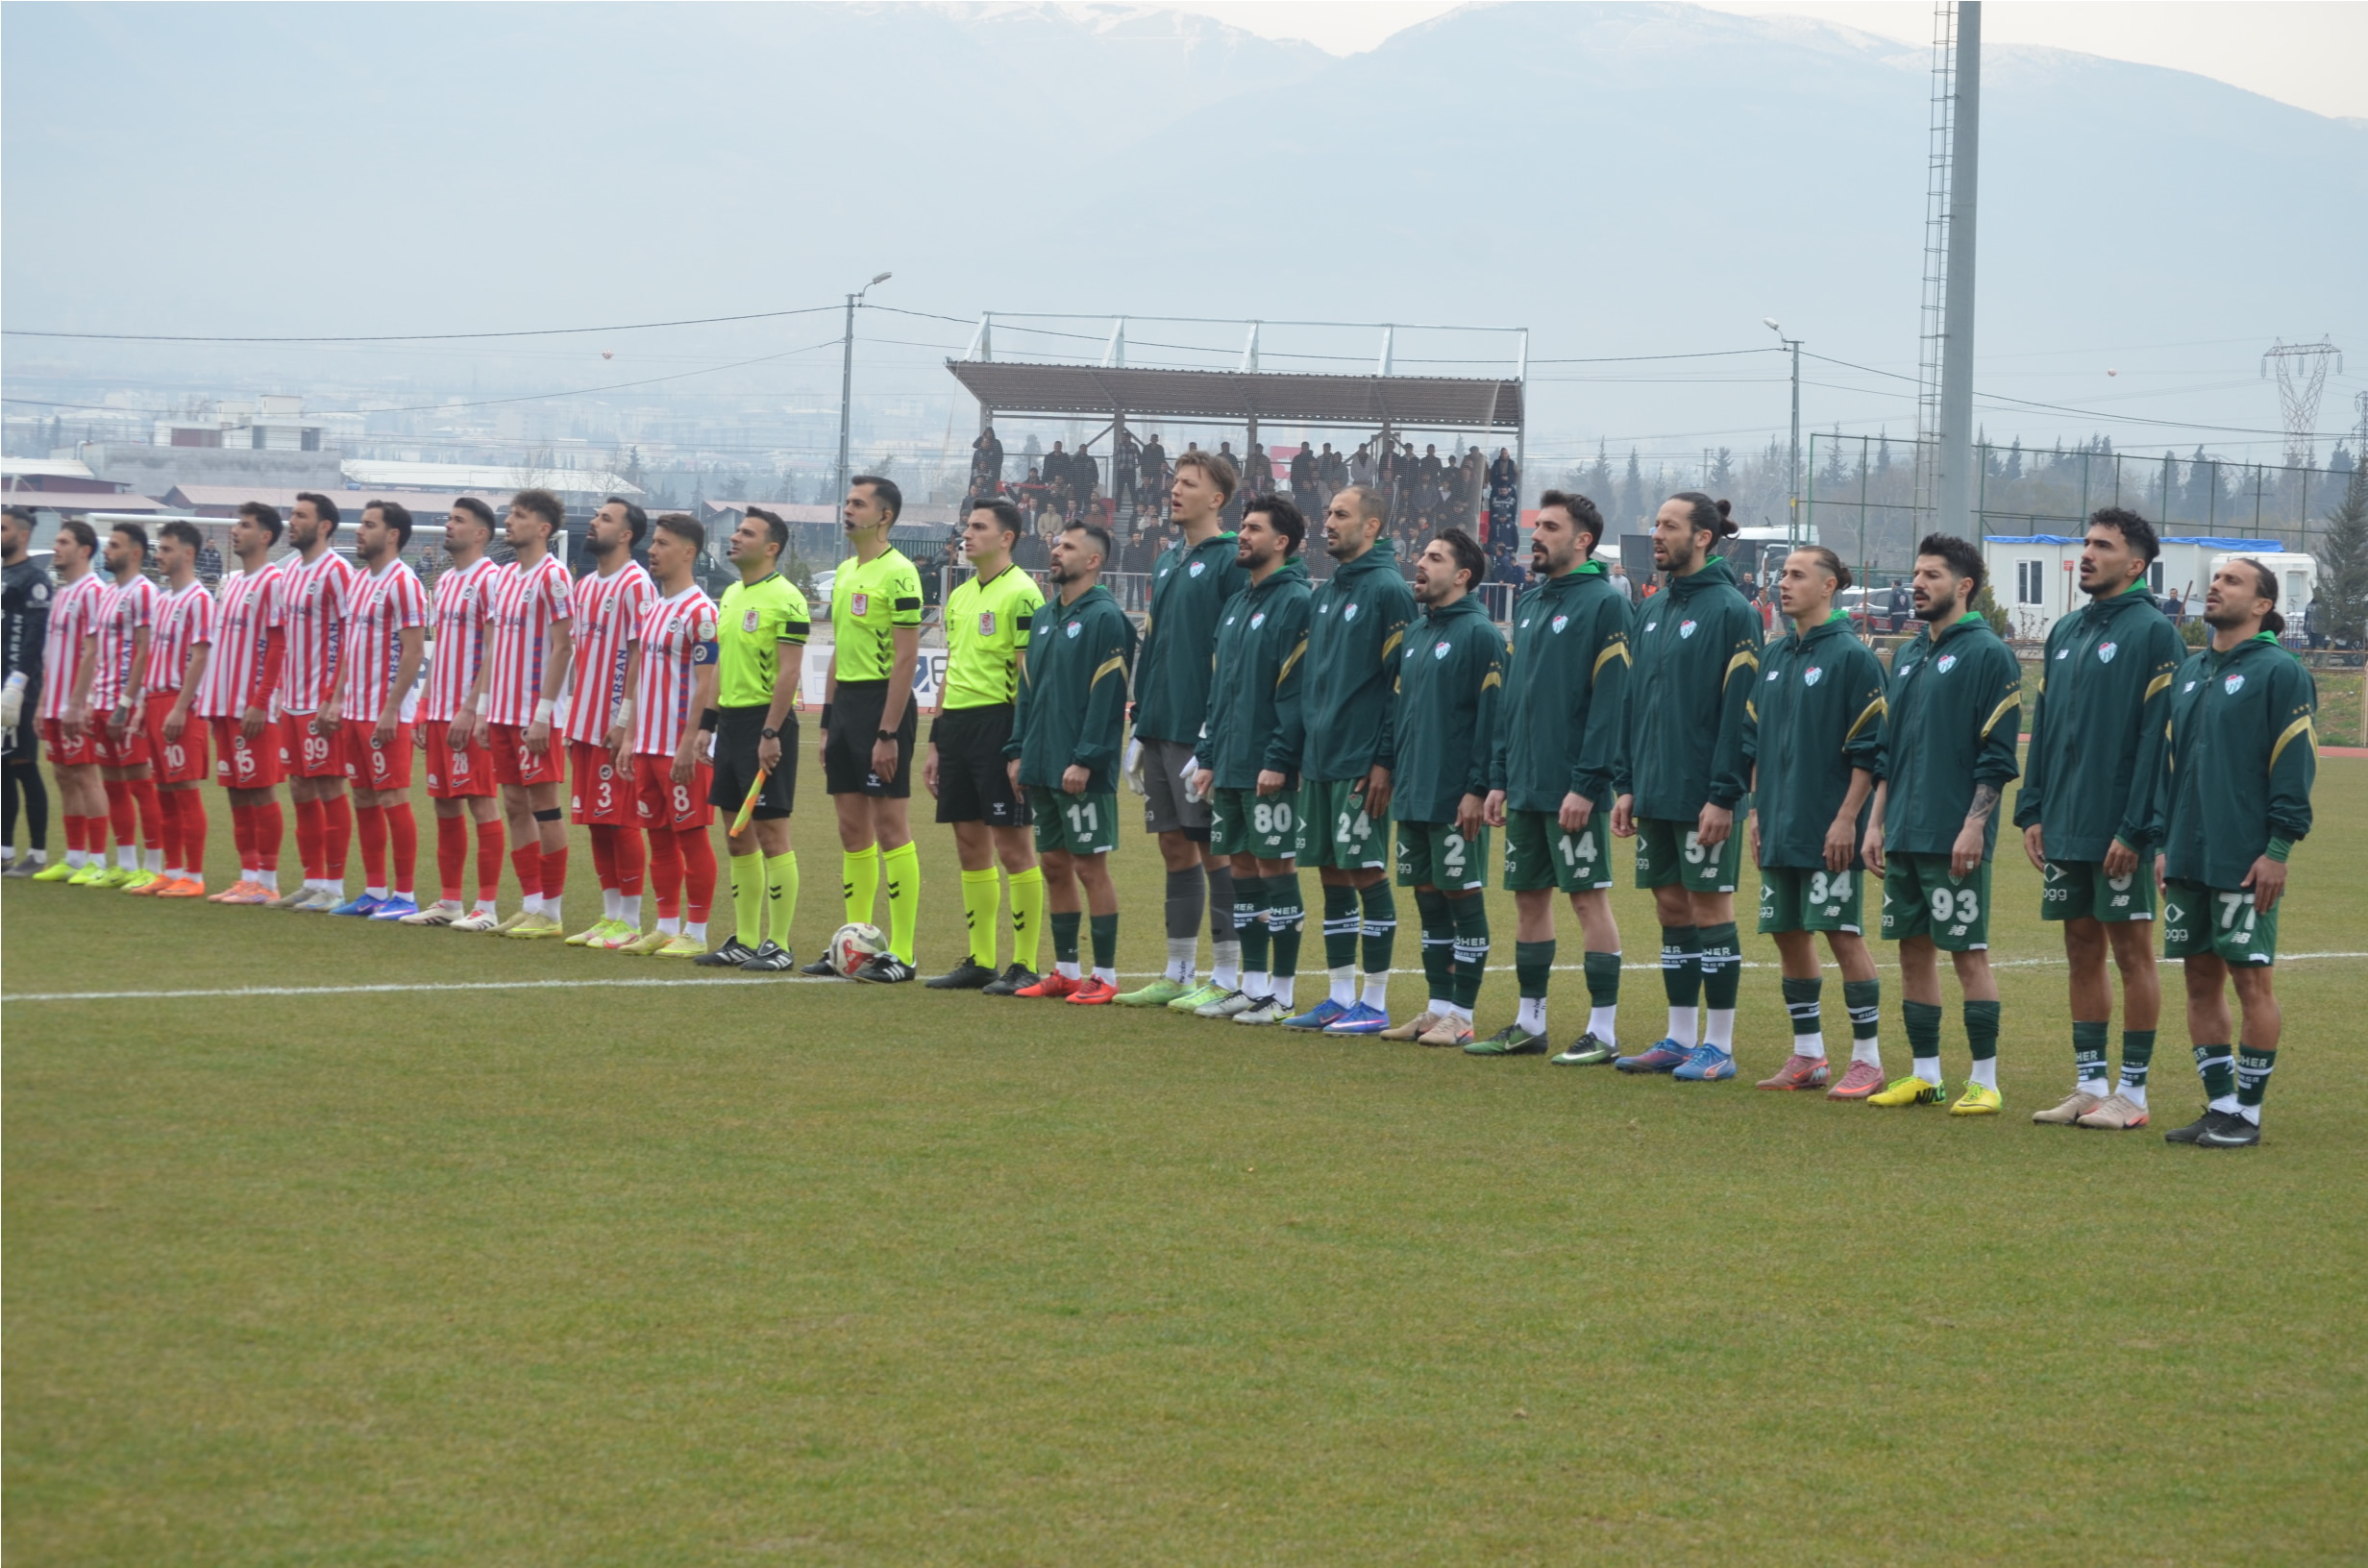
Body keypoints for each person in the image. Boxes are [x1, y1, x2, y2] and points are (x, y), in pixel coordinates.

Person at [2017, 507, 2186, 1130]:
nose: (2086, 553)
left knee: (2132, 951)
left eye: (2103, 546)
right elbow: (2047, 728)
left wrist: (2138, 829)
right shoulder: (2065, 632)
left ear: (2136, 564)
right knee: (2079, 946)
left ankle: (2133, 1094)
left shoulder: (2154, 634)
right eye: (2086, 543)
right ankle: (2090, 1085)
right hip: (2065, 820)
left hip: (2122, 827)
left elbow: (2158, 740)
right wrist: (2033, 808)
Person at [2152, 556, 2316, 1148]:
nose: (2215, 587)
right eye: (2215, 579)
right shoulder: (2191, 671)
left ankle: (2247, 1115)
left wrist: (2278, 849)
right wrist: (2166, 844)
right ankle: (2219, 1106)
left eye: (2232, 581)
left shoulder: (2281, 672)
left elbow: (2294, 768)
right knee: (2199, 981)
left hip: (2246, 858)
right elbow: (2172, 769)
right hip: (2188, 854)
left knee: (2252, 984)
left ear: (2263, 604)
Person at [1862, 534, 2022, 1114]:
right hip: (1902, 830)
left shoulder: (1989, 654)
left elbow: (1997, 755)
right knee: (1911, 952)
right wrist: (1875, 825)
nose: (1918, 583)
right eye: (1916, 573)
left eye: (1931, 574)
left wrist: (1973, 826)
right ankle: (1924, 1074)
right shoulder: (1906, 655)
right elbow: (1886, 754)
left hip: (1953, 833)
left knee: (1967, 953)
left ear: (1963, 587)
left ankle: (1985, 1080)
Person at [1611, 493, 1762, 1081]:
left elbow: (1740, 714)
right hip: (1655, 788)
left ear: (1702, 537)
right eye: (1655, 524)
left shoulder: (1732, 611)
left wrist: (1724, 794)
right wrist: (1626, 783)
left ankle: (1718, 1046)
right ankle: (1678, 1036)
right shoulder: (1651, 609)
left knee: (1709, 908)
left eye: (1669, 526)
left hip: (1706, 793)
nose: (1656, 534)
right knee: (1671, 907)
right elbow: (1634, 703)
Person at [1476, 491, 1631, 1059]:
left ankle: (1604, 1031)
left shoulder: (1606, 604)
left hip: (1573, 787)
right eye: (1535, 525)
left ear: (1582, 540)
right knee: (1527, 900)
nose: (1535, 535)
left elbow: (1610, 702)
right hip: (1524, 782)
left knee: (1588, 900)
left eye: (1549, 527)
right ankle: (1530, 1022)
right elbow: (1513, 700)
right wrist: (1499, 776)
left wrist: (1588, 784)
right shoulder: (1535, 602)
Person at [1741, 546, 1889, 1096]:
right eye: (1782, 575)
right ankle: (1807, 1055)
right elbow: (1753, 743)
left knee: (1841, 933)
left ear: (1829, 587)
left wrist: (1847, 818)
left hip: (1830, 826)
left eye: (1798, 575)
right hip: (1779, 821)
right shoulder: (1775, 656)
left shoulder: (1854, 657)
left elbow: (1870, 751)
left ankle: (1868, 1061)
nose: (1784, 584)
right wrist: (1757, 814)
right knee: (1786, 933)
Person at [1274, 484, 1416, 1035]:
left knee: (1365, 870)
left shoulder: (1388, 590)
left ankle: (1375, 1002)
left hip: (1361, 761)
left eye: (1340, 515)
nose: (1327, 522)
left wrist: (1384, 760)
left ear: (1372, 526)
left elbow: (1398, 683)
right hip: (1321, 758)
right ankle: (1338, 996)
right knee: (1331, 872)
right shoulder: (1328, 591)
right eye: (1328, 513)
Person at [1119, 449, 1249, 1011]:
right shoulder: (1167, 559)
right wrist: (1139, 722)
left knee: (1213, 848)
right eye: (1175, 480)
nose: (1174, 490)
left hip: (1200, 731)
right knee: (1174, 847)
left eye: (1188, 483)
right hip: (1159, 723)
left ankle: (1225, 974)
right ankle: (1177, 969)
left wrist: (1211, 730)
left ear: (1216, 499)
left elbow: (1231, 650)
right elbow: (1154, 642)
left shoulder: (1227, 562)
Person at [1373, 527, 1503, 1047]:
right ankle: (1436, 1008)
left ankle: (1464, 1014)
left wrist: (1478, 787)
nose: (1419, 565)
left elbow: (1494, 720)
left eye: (1433, 558)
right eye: (1420, 556)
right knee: (1428, 899)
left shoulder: (1481, 635)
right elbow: (1398, 709)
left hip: (1456, 795)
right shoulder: (1417, 633)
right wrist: (1386, 764)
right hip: (1414, 789)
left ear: (1463, 575)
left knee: (1461, 896)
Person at [1188, 496, 1314, 1024]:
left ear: (1280, 542)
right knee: (1241, 867)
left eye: (1253, 528)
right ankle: (1253, 984)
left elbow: (1296, 690)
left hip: (1269, 763)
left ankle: (1282, 992)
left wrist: (1280, 757)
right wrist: (1208, 754)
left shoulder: (1297, 602)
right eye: (1241, 526)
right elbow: (1221, 689)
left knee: (1275, 866)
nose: (1241, 535)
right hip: (1232, 762)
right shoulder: (1239, 602)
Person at [1004, 521, 1136, 1002]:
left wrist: (1086, 759)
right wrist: (1017, 751)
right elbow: (1027, 692)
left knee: (1089, 868)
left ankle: (1105, 975)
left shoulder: (1106, 618)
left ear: (1094, 561)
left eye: (1067, 547)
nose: (1055, 552)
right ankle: (1065, 970)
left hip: (1081, 770)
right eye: (1056, 544)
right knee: (1054, 866)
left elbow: (1108, 699)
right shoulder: (1043, 617)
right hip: (1041, 764)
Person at [922, 498, 1048, 992]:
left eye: (978, 527)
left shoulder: (1023, 594)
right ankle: (980, 959)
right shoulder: (958, 596)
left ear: (1007, 537)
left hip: (1000, 727)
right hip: (958, 730)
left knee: (1013, 846)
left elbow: (1028, 676)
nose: (966, 534)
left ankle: (1025, 963)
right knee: (969, 844)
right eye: (966, 526)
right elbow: (951, 672)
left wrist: (1019, 747)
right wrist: (936, 741)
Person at [811, 477, 924, 982]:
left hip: (883, 705)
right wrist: (829, 722)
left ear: (885, 516)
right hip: (848, 708)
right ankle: (853, 944)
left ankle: (902, 952)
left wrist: (887, 733)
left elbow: (906, 659)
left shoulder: (900, 574)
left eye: (858, 504)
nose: (848, 509)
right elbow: (838, 650)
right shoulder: (844, 572)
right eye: (848, 502)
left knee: (890, 829)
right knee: (851, 830)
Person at [693, 506, 811, 971]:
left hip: (766, 723)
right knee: (736, 834)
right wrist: (707, 723)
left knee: (771, 832)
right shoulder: (731, 596)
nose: (735, 537)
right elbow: (722, 666)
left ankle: (777, 945)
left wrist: (771, 731)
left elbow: (790, 671)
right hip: (732, 726)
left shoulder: (787, 599)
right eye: (737, 531)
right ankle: (744, 939)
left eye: (747, 532)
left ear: (772, 547)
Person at [462, 488, 574, 938]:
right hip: (504, 714)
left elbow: (564, 646)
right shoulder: (503, 578)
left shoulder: (555, 577)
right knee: (513, 805)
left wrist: (545, 713)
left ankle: (551, 910)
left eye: (519, 515)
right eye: (510, 513)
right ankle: (530, 903)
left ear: (543, 529)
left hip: (535, 715)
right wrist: (485, 709)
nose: (509, 521)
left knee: (544, 806)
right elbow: (492, 649)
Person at [611, 512, 722, 959]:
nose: (652, 551)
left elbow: (707, 682)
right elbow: (642, 680)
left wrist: (689, 742)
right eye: (652, 542)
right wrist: (629, 735)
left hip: (679, 749)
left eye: (662, 543)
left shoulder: (702, 612)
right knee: (657, 837)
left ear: (689, 552)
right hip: (646, 748)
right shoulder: (654, 609)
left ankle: (696, 931)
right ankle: (666, 924)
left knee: (690, 836)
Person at [399, 500, 508, 929]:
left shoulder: (490, 580)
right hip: (440, 711)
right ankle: (449, 902)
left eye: (458, 521)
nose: (448, 526)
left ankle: (486, 908)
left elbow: (493, 650)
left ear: (480, 534)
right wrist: (424, 706)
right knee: (445, 806)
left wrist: (472, 708)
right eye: (448, 519)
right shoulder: (443, 582)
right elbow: (441, 650)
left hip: (468, 713)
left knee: (481, 804)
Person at [318, 501, 429, 919]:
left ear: (393, 534)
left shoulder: (404, 583)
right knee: (363, 797)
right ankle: (374, 891)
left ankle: (404, 896)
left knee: (393, 798)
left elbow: (414, 652)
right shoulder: (361, 580)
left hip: (386, 715)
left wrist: (391, 709)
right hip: (354, 712)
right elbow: (350, 648)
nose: (359, 531)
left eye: (369, 525)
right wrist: (336, 698)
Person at [558, 497, 657, 947]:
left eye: (605, 518)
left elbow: (640, 656)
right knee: (596, 820)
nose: (594, 523)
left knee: (620, 820)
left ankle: (631, 920)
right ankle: (609, 913)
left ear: (625, 535)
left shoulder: (636, 584)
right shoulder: (585, 586)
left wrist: (625, 721)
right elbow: (580, 657)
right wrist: (570, 714)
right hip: (584, 722)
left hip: (614, 725)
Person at [191, 503, 289, 903]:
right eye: (236, 523)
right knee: (235, 790)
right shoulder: (231, 582)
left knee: (260, 790)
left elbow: (278, 646)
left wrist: (260, 701)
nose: (235, 531)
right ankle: (247, 876)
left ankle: (267, 881)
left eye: (245, 525)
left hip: (252, 708)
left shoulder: (273, 582)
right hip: (222, 705)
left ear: (264, 536)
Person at [270, 493, 359, 910]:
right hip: (291, 700)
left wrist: (333, 695)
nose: (292, 522)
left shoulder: (338, 571)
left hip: (320, 701)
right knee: (299, 786)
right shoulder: (288, 573)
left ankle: (334, 886)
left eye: (300, 516)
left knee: (328, 785)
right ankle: (312, 880)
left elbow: (349, 636)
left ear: (324, 525)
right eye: (291, 514)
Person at [139, 520, 214, 897]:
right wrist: (141, 704)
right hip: (154, 700)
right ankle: (171, 871)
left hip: (178, 703)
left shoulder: (199, 599)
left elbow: (200, 657)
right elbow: (153, 654)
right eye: (159, 548)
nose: (159, 555)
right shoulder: (163, 599)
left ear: (188, 553)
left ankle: (194, 875)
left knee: (184, 787)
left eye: (166, 549)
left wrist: (180, 708)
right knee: (163, 789)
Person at [89, 523, 164, 888]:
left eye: (114, 545)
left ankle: (151, 865)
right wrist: (91, 699)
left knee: (140, 784)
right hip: (100, 701)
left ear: (135, 553)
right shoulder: (105, 593)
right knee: (113, 785)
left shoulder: (144, 593)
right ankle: (124, 862)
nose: (107, 550)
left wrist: (127, 702)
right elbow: (97, 654)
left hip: (126, 702)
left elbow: (145, 650)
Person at [2, 505, 54, 877]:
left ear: (22, 535)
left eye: (2, 528)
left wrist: (17, 683)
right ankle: (5, 850)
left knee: (22, 767)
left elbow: (34, 635)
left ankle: (36, 852)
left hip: (17, 689)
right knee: (3, 768)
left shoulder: (33, 578)